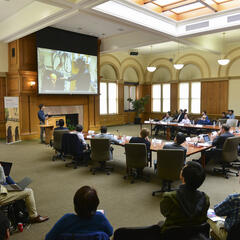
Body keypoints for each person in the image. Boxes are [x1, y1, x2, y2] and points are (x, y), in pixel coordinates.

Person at [45, 186, 113, 240]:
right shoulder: (100, 217)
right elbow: (110, 232)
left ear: (75, 205)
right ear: (96, 205)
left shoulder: (66, 219)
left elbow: (49, 238)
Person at [160, 161, 209, 233]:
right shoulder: (205, 198)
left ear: (183, 176)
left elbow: (165, 213)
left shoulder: (169, 197)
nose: (181, 169)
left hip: (172, 234)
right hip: (195, 233)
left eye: (182, 169)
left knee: (160, 224)